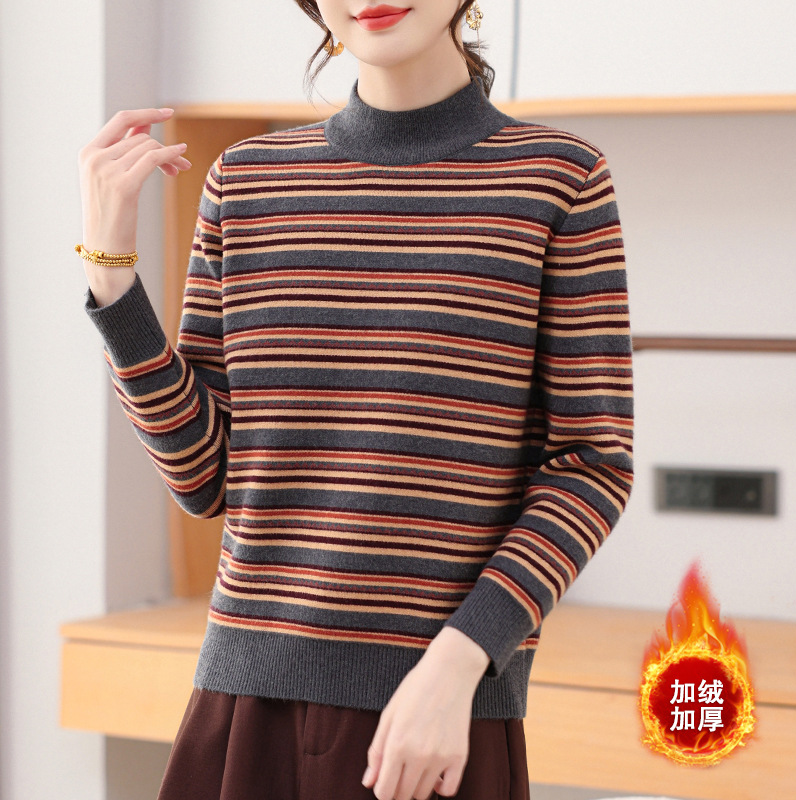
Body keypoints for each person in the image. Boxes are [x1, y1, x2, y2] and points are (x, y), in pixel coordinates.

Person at [78, 2, 634, 799]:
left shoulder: (558, 179)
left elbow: (592, 466)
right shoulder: (244, 180)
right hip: (246, 707)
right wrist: (112, 281)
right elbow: (206, 477)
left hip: (439, 721)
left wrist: (461, 661)